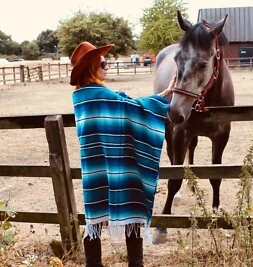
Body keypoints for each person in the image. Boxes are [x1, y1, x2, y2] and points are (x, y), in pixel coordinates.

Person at [70, 41, 175, 267]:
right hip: (118, 166)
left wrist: (162, 94)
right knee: (131, 203)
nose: (108, 67)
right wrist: (163, 98)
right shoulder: (99, 95)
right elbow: (133, 108)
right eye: (104, 63)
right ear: (91, 68)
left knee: (94, 217)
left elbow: (125, 104)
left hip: (93, 166)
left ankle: (93, 264)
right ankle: (135, 264)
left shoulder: (80, 97)